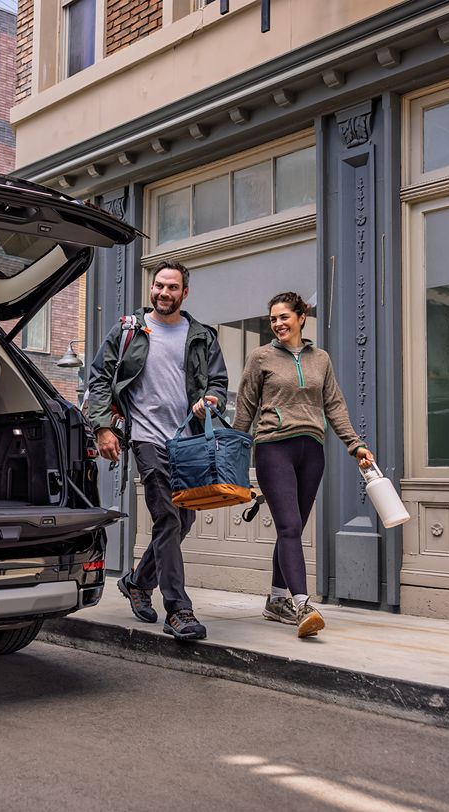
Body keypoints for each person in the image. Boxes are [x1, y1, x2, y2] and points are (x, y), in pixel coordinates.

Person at [84, 261, 229, 641]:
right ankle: (179, 610)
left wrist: (211, 399)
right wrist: (103, 427)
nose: (164, 293)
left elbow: (218, 383)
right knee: (167, 518)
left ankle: (137, 582)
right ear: (152, 288)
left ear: (185, 293)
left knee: (184, 521)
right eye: (159, 286)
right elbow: (100, 377)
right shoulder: (130, 329)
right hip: (147, 438)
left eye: (172, 287)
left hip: (189, 440)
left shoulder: (201, 336)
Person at [232, 292, 374, 639]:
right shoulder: (261, 357)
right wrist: (232, 458)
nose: (278, 324)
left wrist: (356, 446)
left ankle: (276, 600)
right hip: (272, 448)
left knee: (290, 529)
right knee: (291, 527)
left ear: (301, 318)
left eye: (284, 317)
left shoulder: (320, 359)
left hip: (312, 451)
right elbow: (245, 410)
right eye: (273, 319)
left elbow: (335, 406)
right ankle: (302, 605)